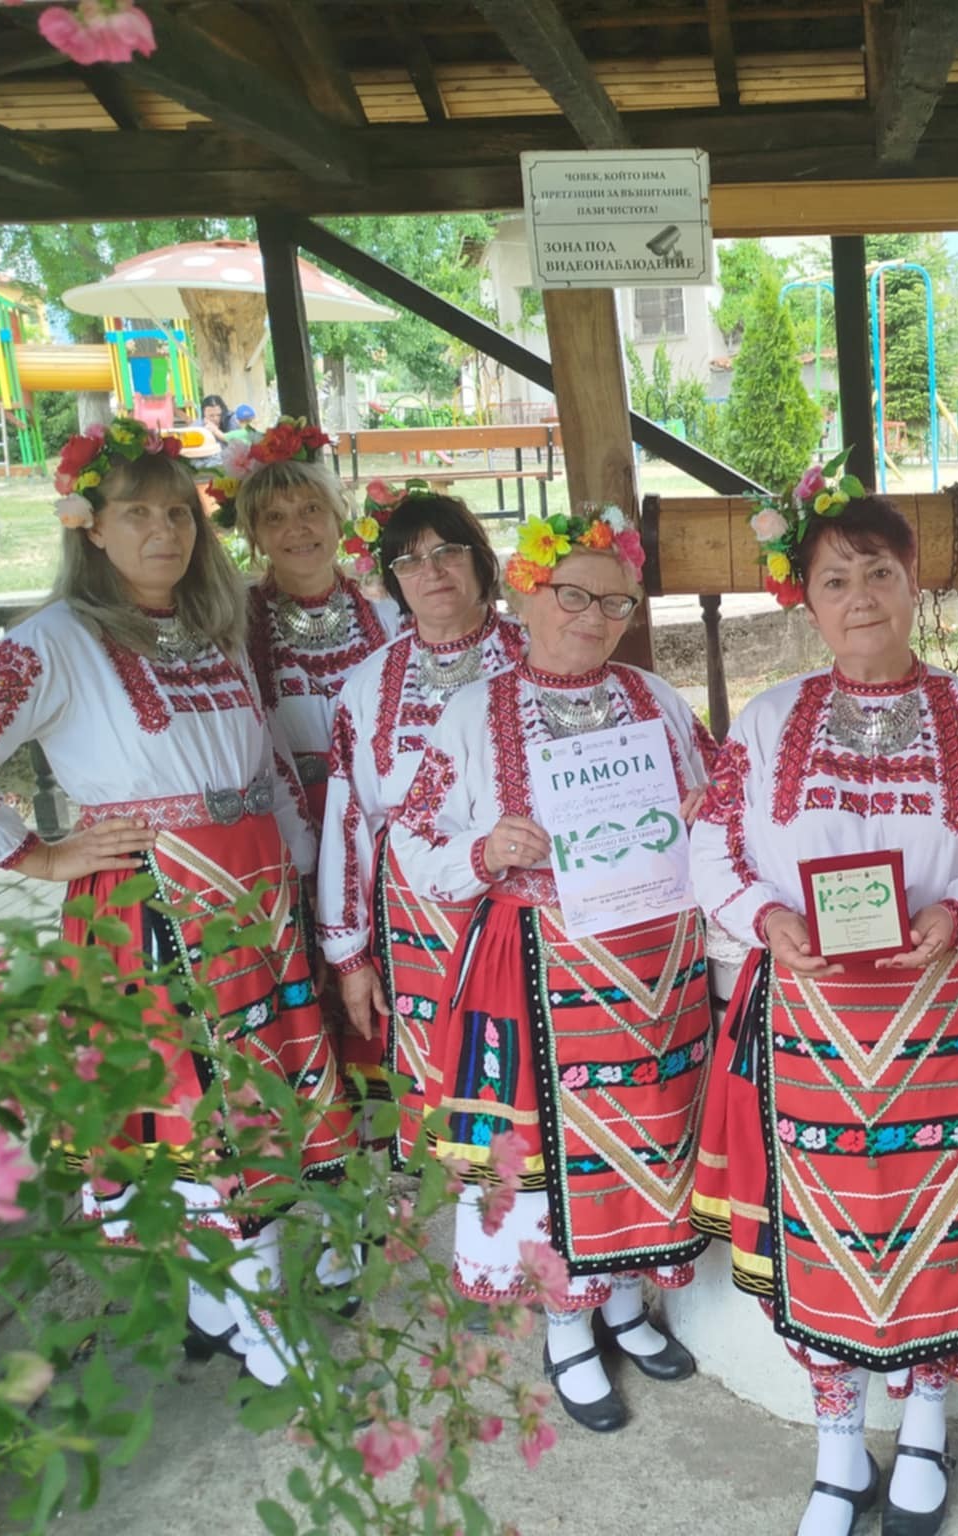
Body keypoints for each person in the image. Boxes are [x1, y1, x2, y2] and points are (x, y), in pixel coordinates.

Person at [0, 418, 349, 1390]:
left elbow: (263, 763)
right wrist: (38, 855)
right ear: (89, 525)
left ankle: (218, 1303)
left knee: (259, 1100)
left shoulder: (211, 625)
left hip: (256, 898)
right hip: (157, 904)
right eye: (136, 513)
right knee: (212, 1109)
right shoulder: (57, 640)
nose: (163, 532)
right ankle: (260, 1317)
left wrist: (300, 870)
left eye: (178, 513)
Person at [692, 476, 958, 1536]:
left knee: (942, 1222)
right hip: (809, 1021)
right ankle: (835, 1450)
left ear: (912, 586)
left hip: (947, 1014)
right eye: (834, 580)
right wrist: (767, 919)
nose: (858, 595)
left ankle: (924, 1428)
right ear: (806, 603)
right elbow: (712, 851)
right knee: (822, 1235)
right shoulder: (767, 720)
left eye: (877, 572)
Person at [387, 504, 715, 1435]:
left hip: (651, 964)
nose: (593, 617)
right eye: (572, 594)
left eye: (615, 602)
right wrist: (486, 850)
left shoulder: (656, 699)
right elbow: (411, 839)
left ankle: (624, 1303)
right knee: (552, 1152)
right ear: (527, 594)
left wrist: (703, 808)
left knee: (642, 1132)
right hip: (533, 960)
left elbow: (723, 797)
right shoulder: (473, 714)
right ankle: (568, 1328)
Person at [318, 491, 523, 1170]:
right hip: (417, 919)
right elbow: (349, 818)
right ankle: (460, 1205)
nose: (431, 572)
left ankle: (532, 1195)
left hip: (523, 899)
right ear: (393, 582)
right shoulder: (369, 685)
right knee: (441, 1077)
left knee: (524, 1065)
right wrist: (349, 956)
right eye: (409, 561)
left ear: (481, 560)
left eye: (447, 552)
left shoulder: (534, 653)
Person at [232, 431, 400, 825]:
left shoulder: (389, 621)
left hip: (374, 821)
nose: (298, 528)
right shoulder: (235, 626)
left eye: (311, 510)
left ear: (338, 522)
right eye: (275, 517)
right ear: (256, 537)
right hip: (283, 825)